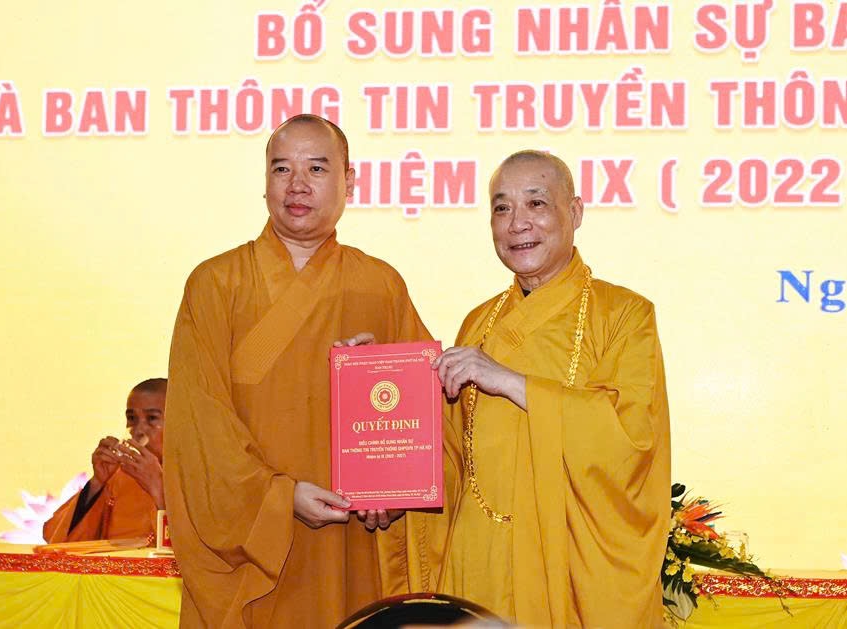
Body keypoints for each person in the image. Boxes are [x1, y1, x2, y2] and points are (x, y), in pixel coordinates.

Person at [164, 114, 430, 628]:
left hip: (350, 540)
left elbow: (423, 421)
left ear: (350, 181)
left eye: (317, 168)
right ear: (264, 180)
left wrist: (394, 490)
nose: (298, 185)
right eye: (282, 168)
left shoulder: (380, 286)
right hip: (252, 545)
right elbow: (199, 429)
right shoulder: (216, 284)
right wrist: (278, 497)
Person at [403, 151, 671, 627]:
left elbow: (632, 438)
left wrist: (513, 383)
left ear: (576, 212)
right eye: (501, 208)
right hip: (480, 560)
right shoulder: (478, 323)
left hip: (569, 564)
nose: (517, 223)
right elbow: (449, 453)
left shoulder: (624, 315)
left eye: (536, 203)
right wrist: (376, 389)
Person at [43, 378, 167, 543]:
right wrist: (97, 483)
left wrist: (158, 490)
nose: (138, 430)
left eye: (152, 418)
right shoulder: (120, 476)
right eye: (132, 418)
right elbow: (58, 539)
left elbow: (194, 547)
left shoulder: (196, 475)